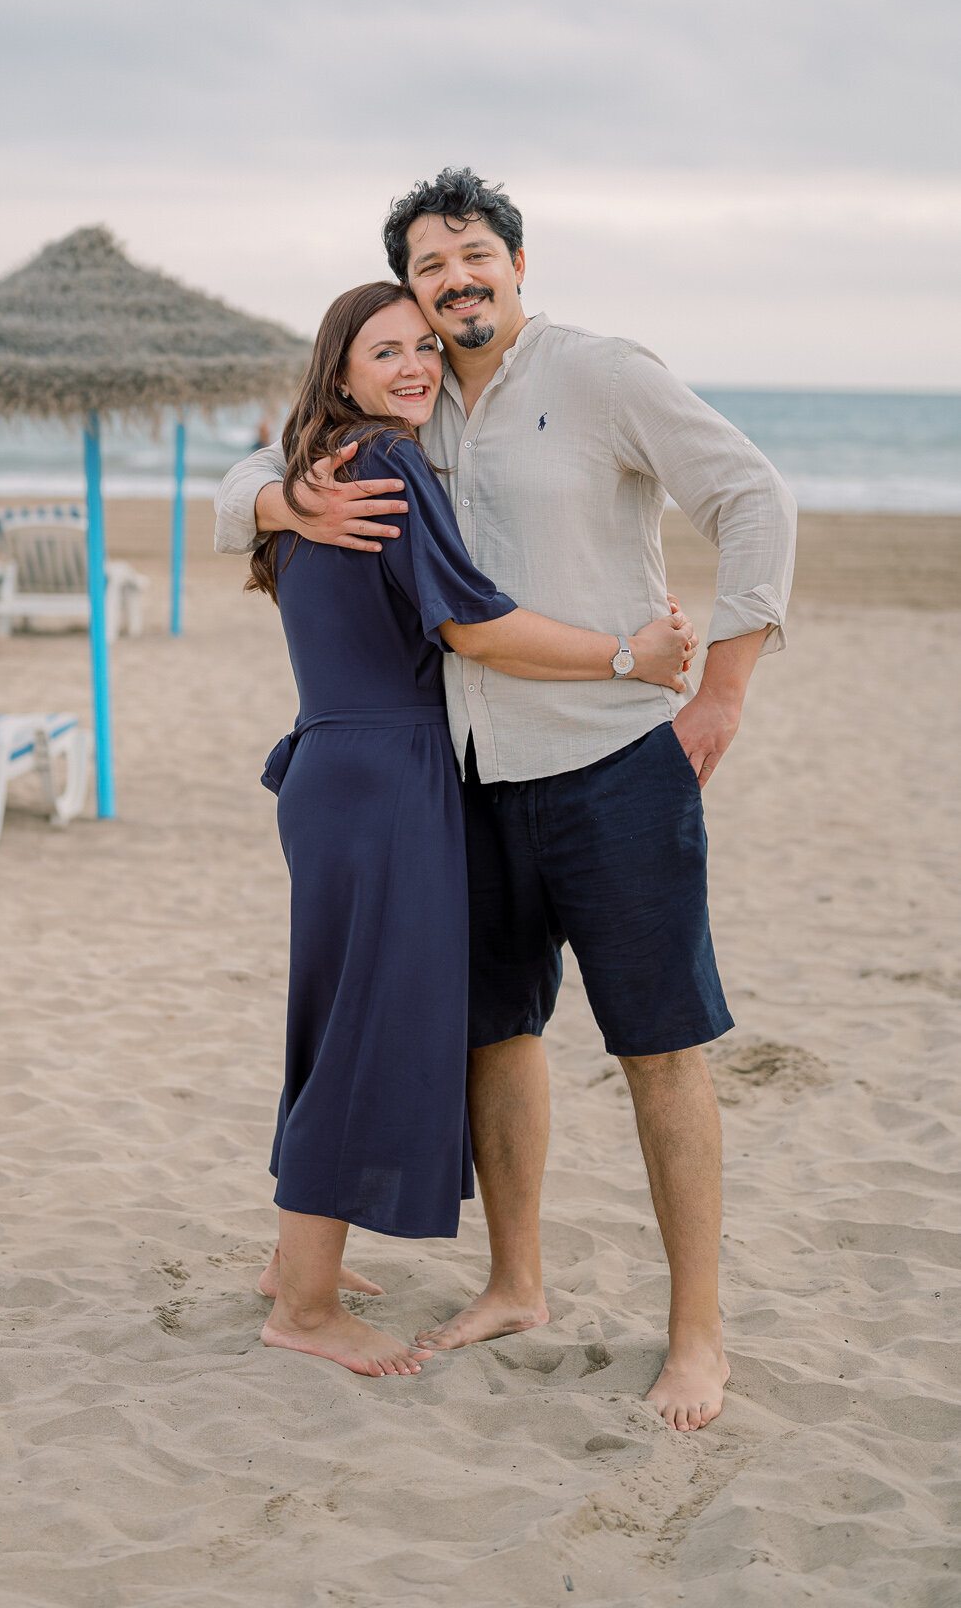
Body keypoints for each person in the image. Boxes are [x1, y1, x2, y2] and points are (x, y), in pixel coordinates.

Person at [217, 168, 798, 1428]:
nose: (454, 282)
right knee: (496, 1035)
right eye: (430, 269)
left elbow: (752, 497)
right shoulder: (408, 403)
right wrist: (277, 497)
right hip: (466, 783)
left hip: (609, 765)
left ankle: (694, 1333)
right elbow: (234, 487)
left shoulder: (601, 375)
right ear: (409, 296)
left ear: (516, 262)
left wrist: (722, 694)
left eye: (472, 255)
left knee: (659, 1048)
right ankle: (515, 1282)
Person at [249, 279, 697, 1378]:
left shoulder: (317, 465)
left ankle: (289, 1261)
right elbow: (470, 624)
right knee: (363, 1026)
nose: (410, 365)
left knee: (331, 1014)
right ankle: (303, 1305)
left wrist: (271, 494)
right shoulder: (388, 463)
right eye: (383, 350)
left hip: (331, 765)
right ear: (341, 371)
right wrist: (625, 654)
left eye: (419, 349)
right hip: (390, 775)